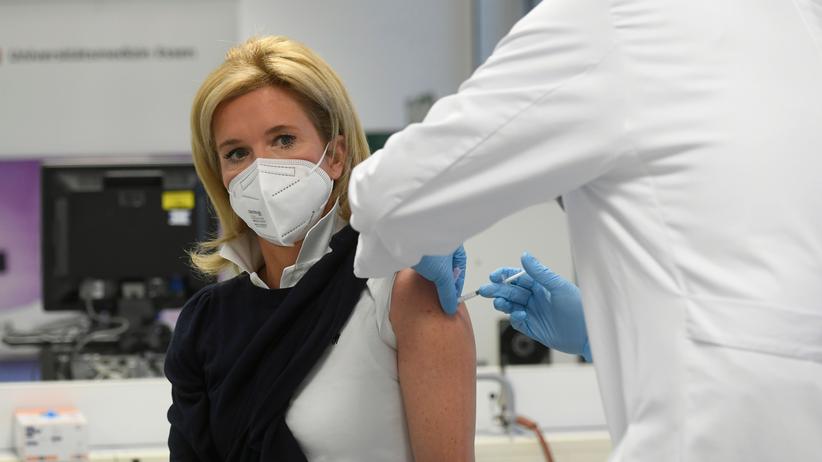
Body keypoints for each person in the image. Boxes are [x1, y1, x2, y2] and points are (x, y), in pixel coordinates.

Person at [346, 0, 822, 460]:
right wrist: (598, 336)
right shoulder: (798, 25)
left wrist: (421, 232)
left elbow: (390, 198)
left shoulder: (615, 21)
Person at [164, 36, 476, 462]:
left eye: (283, 140)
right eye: (236, 152)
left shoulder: (405, 291)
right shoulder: (206, 323)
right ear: (219, 173)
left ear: (336, 155)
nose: (261, 170)